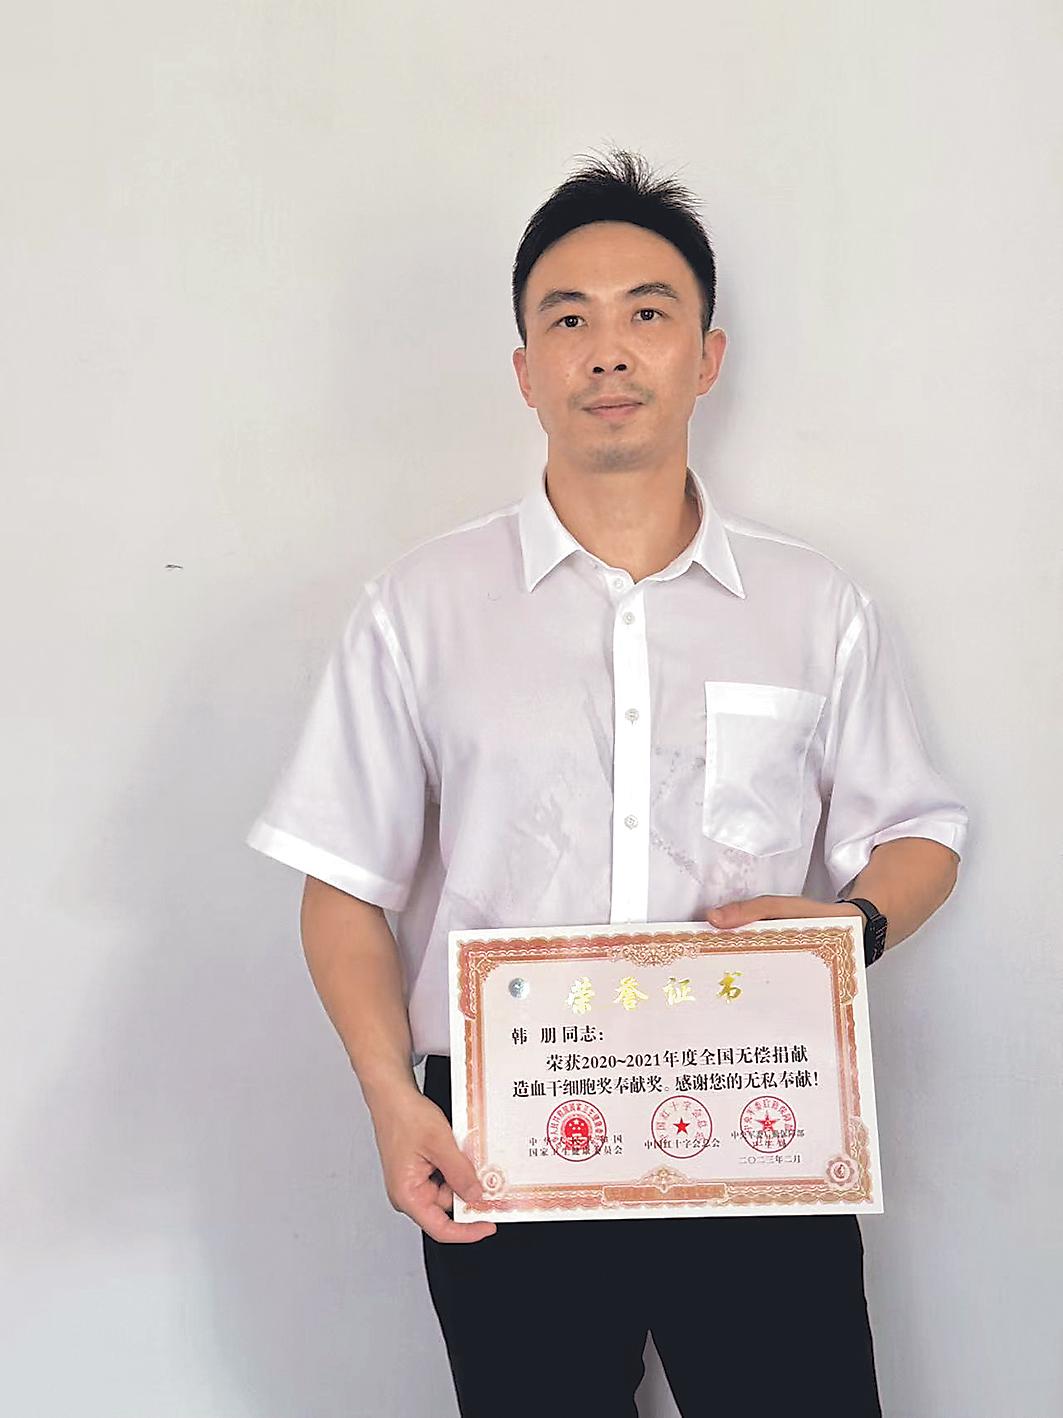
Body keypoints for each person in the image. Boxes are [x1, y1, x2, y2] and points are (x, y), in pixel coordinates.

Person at [245, 148, 968, 1417]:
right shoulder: (420, 608)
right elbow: (344, 883)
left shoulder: (814, 605)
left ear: (707, 354)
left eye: (648, 311)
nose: (608, 351)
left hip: (762, 1120)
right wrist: (388, 1099)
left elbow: (917, 831)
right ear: (525, 369)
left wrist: (851, 926)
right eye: (567, 320)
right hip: (505, 1139)